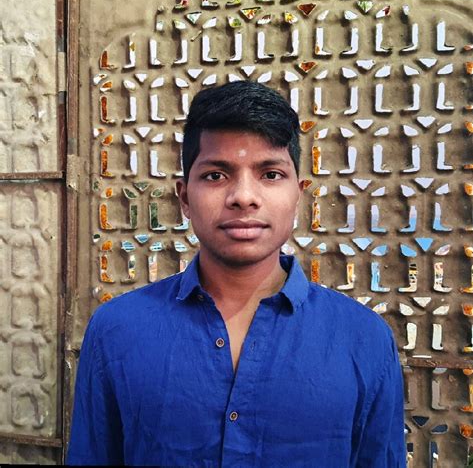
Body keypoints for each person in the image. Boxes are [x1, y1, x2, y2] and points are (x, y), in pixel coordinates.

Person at [67, 81, 406, 467]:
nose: (243, 196)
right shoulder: (116, 330)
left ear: (299, 194)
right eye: (216, 175)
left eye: (270, 174)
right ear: (184, 198)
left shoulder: (364, 339)